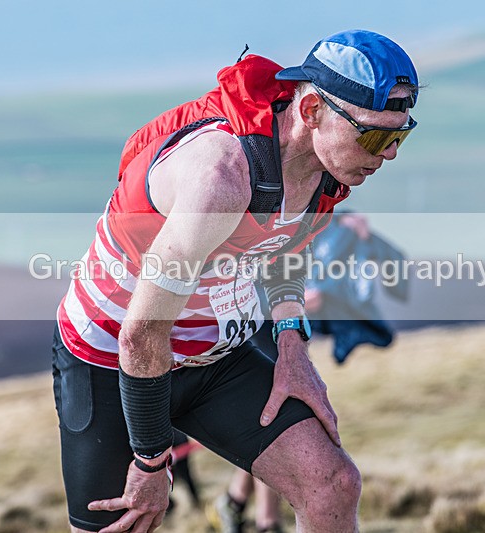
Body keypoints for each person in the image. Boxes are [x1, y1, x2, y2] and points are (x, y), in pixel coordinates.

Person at [51, 29, 419, 533]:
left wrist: (292, 345)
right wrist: (154, 461)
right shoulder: (221, 179)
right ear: (311, 111)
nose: (390, 153)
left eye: (401, 134)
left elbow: (286, 247)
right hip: (113, 361)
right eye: (375, 136)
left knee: (332, 484)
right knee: (125, 526)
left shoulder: (326, 166)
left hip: (216, 356)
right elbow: (140, 334)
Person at [207, 214, 408, 533]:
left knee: (277, 418)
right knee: (276, 418)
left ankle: (234, 503)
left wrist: (360, 236)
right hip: (254, 322)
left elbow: (389, 272)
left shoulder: (331, 215)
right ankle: (266, 522)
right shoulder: (266, 199)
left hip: (287, 331)